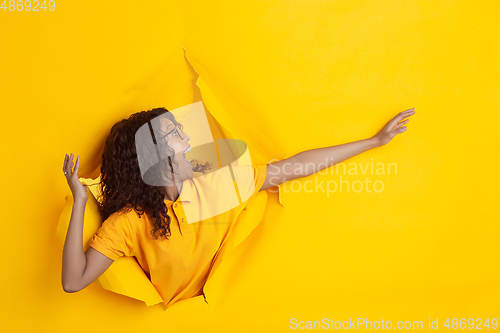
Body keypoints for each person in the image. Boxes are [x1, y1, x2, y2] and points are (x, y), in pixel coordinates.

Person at [61, 106, 416, 307]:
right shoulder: (128, 223)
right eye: (176, 135)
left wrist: (374, 142)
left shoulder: (217, 184)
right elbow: (74, 281)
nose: (187, 141)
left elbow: (293, 166)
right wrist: (80, 201)